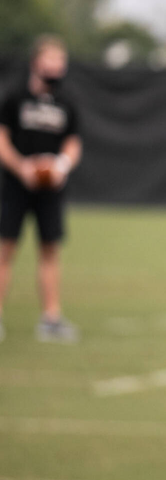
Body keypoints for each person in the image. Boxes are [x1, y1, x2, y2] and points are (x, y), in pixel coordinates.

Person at [0, 35, 82, 344]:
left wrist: (61, 165)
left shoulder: (66, 102)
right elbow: (2, 138)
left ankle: (50, 318)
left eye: (61, 62)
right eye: (52, 60)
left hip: (50, 189)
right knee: (6, 248)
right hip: (17, 185)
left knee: (50, 249)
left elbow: (74, 142)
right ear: (37, 62)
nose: (57, 67)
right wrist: (21, 168)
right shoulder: (15, 97)